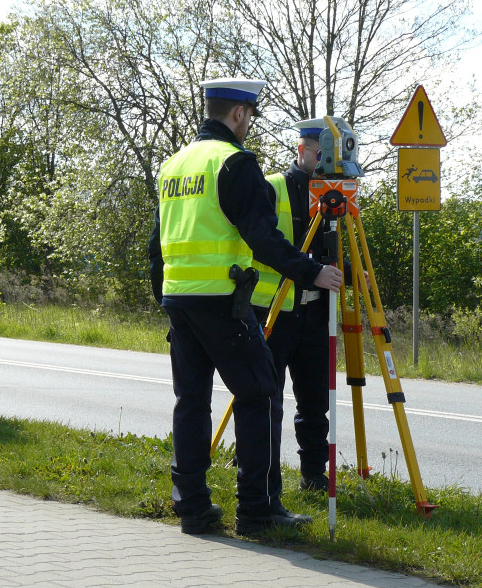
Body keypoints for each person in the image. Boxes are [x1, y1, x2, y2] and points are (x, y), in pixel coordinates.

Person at [147, 79, 343, 536]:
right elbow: (261, 236)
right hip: (223, 302)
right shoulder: (234, 161)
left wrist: (165, 296)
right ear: (238, 114)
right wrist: (309, 271)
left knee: (191, 402)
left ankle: (192, 506)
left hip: (181, 299)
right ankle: (256, 509)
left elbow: (156, 246)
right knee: (259, 396)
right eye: (250, 117)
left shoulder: (173, 165)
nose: (249, 125)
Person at [255, 118, 344, 493]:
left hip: (316, 313)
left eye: (331, 155)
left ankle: (313, 474)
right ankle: (260, 473)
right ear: (301, 150)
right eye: (317, 153)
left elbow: (336, 257)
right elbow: (266, 245)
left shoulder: (337, 195)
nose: (323, 161)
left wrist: (354, 276)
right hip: (275, 310)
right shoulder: (274, 188)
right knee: (265, 398)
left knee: (314, 400)